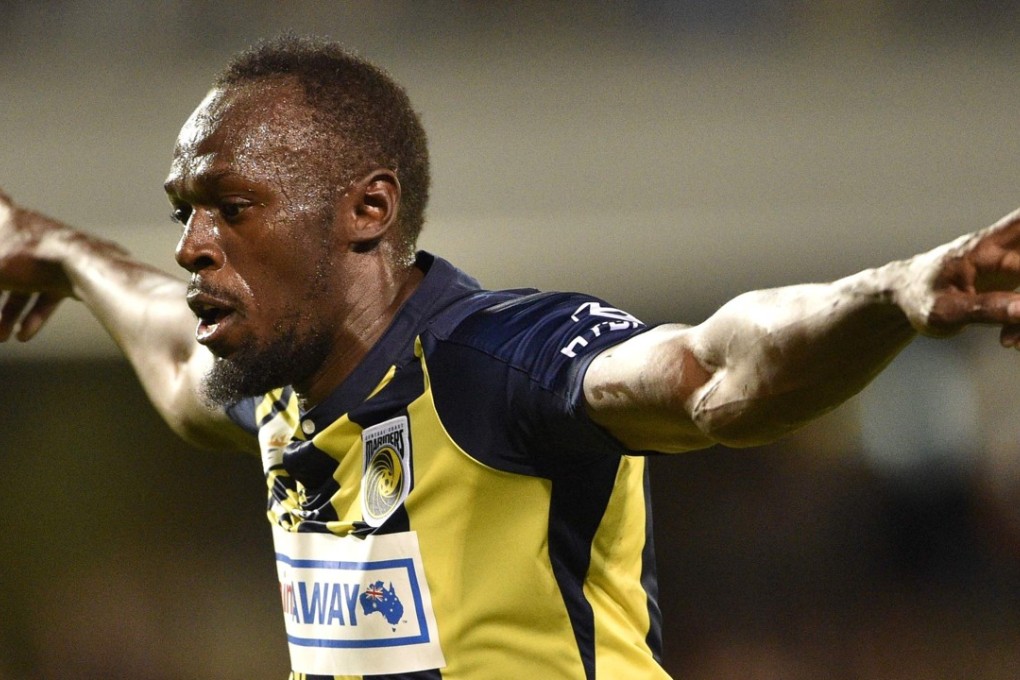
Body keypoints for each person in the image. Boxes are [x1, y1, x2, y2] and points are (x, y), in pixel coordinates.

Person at [2, 35, 1020, 680]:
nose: (190, 245)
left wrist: (891, 295)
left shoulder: (495, 361)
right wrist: (54, 250)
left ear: (369, 210)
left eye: (232, 205)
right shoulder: (275, 382)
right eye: (184, 213)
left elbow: (710, 372)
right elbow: (175, 362)